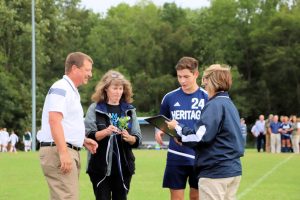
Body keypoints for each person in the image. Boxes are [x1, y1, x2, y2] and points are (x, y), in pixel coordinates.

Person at [167, 64, 244, 200]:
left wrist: (177, 127)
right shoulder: (229, 104)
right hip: (232, 170)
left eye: (205, 79)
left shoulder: (215, 105)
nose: (204, 84)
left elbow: (199, 137)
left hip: (216, 172)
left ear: (210, 80)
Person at [38, 52, 98, 200]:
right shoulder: (62, 88)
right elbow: (54, 120)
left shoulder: (71, 90)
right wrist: (63, 152)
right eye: (87, 70)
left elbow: (65, 123)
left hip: (65, 150)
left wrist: (82, 140)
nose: (90, 74)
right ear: (74, 69)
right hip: (60, 151)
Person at [155, 57, 208, 200]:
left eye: (186, 76)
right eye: (179, 77)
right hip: (176, 155)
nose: (182, 80)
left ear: (196, 74)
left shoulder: (207, 97)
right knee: (176, 198)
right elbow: (163, 121)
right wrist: (159, 131)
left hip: (199, 156)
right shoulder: (169, 98)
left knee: (196, 196)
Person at [84, 70, 142, 200]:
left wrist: (130, 138)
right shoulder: (95, 108)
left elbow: (138, 139)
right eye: (114, 88)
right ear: (105, 89)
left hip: (124, 168)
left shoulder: (129, 110)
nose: (118, 91)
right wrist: (106, 132)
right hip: (99, 168)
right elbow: (89, 136)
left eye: (120, 88)